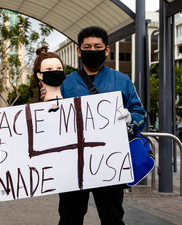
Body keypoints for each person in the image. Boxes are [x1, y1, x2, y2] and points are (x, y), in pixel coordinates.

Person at [57, 26, 147, 225]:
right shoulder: (65, 83)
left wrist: (131, 117)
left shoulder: (123, 81)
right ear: (79, 51)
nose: (92, 50)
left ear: (107, 50)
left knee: (113, 218)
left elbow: (140, 114)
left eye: (97, 46)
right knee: (69, 218)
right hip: (73, 164)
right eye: (87, 46)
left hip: (110, 163)